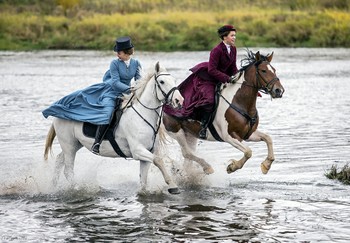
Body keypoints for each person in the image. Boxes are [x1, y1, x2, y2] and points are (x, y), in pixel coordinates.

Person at [42, 36, 142, 154]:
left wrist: (138, 89)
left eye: (119, 52)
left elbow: (139, 80)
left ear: (126, 53)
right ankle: (97, 142)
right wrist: (130, 89)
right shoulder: (114, 63)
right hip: (111, 92)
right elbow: (115, 83)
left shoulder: (136, 63)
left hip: (128, 93)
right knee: (107, 112)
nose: (117, 55)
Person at [163, 25, 238, 139]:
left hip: (222, 77)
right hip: (208, 78)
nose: (234, 38)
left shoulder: (233, 49)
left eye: (234, 35)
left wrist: (239, 78)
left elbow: (233, 68)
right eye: (232, 36)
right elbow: (212, 70)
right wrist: (227, 79)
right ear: (224, 37)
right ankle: (203, 126)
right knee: (209, 100)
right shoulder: (216, 50)